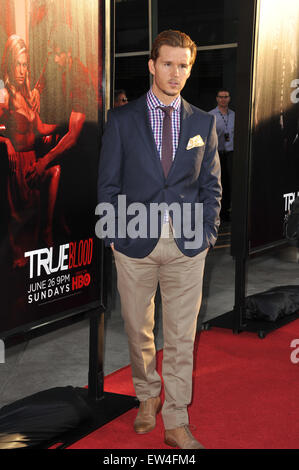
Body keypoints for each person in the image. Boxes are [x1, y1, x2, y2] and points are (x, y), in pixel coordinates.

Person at [98, 30, 221, 449]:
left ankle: (175, 418)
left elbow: (212, 185)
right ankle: (147, 396)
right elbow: (107, 184)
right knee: (138, 328)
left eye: (183, 65)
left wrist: (207, 233)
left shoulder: (204, 121)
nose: (175, 73)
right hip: (134, 241)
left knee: (182, 336)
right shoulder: (121, 120)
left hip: (188, 245)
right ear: (152, 65)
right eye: (167, 63)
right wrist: (114, 235)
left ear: (190, 67)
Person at [0, 35, 60, 267]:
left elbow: (40, 127)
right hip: (16, 164)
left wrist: (65, 127)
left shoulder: (26, 93)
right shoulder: (3, 90)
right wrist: (5, 142)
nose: (22, 70)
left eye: (25, 65)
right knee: (18, 221)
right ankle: (20, 251)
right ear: (9, 63)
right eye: (18, 63)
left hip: (32, 160)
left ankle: (46, 233)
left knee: (55, 171)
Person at [209, 89, 235, 221]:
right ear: (217, 99)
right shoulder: (211, 116)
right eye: (221, 97)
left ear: (229, 98)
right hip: (217, 154)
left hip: (231, 154)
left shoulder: (234, 115)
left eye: (226, 97)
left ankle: (227, 211)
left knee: (230, 183)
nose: (223, 99)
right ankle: (218, 212)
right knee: (219, 183)